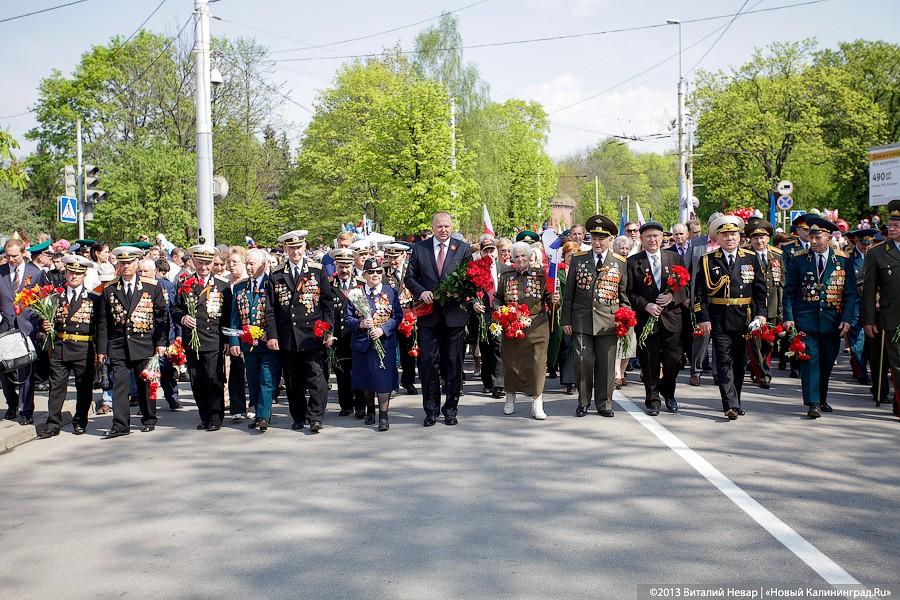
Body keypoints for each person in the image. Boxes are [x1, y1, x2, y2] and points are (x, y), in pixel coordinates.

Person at [783, 217, 858, 419]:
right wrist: (789, 317)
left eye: (818, 237)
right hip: (805, 320)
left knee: (826, 361)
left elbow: (850, 294)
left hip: (832, 321)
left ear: (828, 237)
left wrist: (847, 319)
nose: (813, 242)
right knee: (810, 361)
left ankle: (822, 398)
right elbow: (789, 292)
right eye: (811, 237)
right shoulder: (798, 260)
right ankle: (813, 402)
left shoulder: (843, 261)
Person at [694, 215, 767, 420]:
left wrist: (761, 314)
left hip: (745, 318)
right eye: (725, 235)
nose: (729, 238)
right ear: (717, 237)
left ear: (739, 236)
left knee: (739, 362)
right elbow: (699, 293)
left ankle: (737, 400)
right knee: (724, 361)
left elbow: (760, 291)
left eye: (733, 234)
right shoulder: (708, 260)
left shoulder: (750, 258)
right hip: (719, 318)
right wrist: (703, 317)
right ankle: (730, 405)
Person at [404, 211, 473, 427]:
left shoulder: (462, 249)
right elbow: (410, 278)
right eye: (439, 226)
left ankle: (450, 409)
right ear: (433, 228)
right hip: (429, 318)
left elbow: (470, 280)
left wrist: (459, 292)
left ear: (452, 227)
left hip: (454, 318)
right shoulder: (419, 249)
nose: (443, 230)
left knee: (453, 364)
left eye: (447, 226)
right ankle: (431, 410)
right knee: (428, 364)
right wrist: (421, 291)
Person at [264, 230, 334, 433]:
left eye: (298, 247)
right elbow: (271, 308)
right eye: (291, 247)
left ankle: (315, 417)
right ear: (285, 249)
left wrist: (327, 330)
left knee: (316, 377)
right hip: (288, 336)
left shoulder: (317, 270)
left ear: (305, 247)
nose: (295, 251)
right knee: (293, 380)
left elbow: (327, 303)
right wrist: (273, 335)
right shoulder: (276, 274)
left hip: (313, 334)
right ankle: (298, 415)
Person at [561, 214, 630, 418]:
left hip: (609, 321)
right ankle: (583, 402)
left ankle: (604, 403)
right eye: (594, 238)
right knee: (583, 362)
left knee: (607, 364)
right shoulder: (579, 260)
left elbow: (623, 294)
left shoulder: (619, 262)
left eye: (602, 238)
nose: (598, 242)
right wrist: (566, 320)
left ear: (610, 240)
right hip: (582, 320)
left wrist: (625, 318)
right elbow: (569, 293)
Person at [96, 246, 168, 438]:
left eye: (130, 262)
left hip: (144, 343)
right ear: (118, 264)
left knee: (144, 383)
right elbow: (103, 322)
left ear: (137, 263)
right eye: (123, 263)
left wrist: (161, 342)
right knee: (119, 384)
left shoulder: (151, 286)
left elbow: (162, 318)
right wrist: (102, 349)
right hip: (119, 344)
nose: (126, 266)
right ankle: (120, 424)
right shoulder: (110, 288)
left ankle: (148, 418)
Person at [36, 255, 100, 438]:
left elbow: (100, 326)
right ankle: (53, 423)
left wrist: (101, 351)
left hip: (84, 347)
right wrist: (45, 325)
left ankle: (80, 421)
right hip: (60, 347)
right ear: (65, 273)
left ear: (84, 275)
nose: (73, 276)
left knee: (84, 388)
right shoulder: (55, 296)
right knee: (56, 388)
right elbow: (43, 318)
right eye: (70, 272)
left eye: (77, 274)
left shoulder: (94, 297)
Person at [627, 222, 687, 415]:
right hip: (647, 319)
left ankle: (668, 392)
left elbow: (686, 288)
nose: (652, 240)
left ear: (663, 238)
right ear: (642, 239)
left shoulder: (675, 258)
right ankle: (652, 399)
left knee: (674, 360)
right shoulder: (634, 262)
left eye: (656, 236)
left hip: (672, 318)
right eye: (648, 237)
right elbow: (629, 293)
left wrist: (672, 297)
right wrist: (646, 305)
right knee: (649, 361)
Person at [495, 242, 559, 419]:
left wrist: (555, 300)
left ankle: (537, 401)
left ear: (530, 257)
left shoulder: (540, 275)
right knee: (511, 363)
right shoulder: (506, 275)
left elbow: (549, 298)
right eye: (517, 256)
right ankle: (510, 396)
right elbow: (498, 298)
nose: (520, 259)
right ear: (512, 259)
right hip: (512, 326)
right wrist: (500, 310)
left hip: (537, 325)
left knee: (538, 363)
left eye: (524, 256)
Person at [172, 245, 231, 431]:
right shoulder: (184, 284)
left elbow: (228, 316)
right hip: (193, 340)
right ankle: (204, 415)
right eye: (200, 263)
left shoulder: (222, 286)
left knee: (213, 378)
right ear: (194, 262)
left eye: (207, 263)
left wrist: (228, 341)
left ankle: (215, 416)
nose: (204, 267)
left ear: (213, 263)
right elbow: (175, 308)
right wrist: (183, 317)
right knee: (196, 380)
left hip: (214, 339)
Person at [345, 258, 403, 431]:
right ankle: (370, 409)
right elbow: (347, 318)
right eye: (371, 272)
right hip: (363, 343)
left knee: (383, 380)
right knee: (367, 379)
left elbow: (397, 316)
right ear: (365, 275)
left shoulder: (390, 291)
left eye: (378, 272)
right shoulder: (356, 293)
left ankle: (383, 416)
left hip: (384, 343)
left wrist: (383, 329)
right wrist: (360, 324)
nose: (375, 275)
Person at [229, 248, 279, 432]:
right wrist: (234, 342)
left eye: (252, 264)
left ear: (263, 264)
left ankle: (264, 416)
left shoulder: (271, 283)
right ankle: (258, 414)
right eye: (247, 264)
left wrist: (272, 335)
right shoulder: (240, 287)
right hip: (248, 343)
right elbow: (235, 317)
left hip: (268, 342)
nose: (249, 268)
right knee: (253, 380)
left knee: (267, 378)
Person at [1, 236, 46, 425]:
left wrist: (42, 325)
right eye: (8, 256)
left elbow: (42, 300)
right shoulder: (0, 272)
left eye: (14, 256)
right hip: (4, 327)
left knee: (25, 371)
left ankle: (26, 410)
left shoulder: (34, 273)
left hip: (27, 328)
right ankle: (12, 405)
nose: (11, 260)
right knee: (5, 371)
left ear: (23, 254)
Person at [862, 199, 900, 420]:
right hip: (891, 318)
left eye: (896, 225)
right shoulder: (877, 253)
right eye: (891, 224)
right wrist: (869, 320)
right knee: (897, 364)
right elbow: (868, 289)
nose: (891, 228)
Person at [744, 219, 784, 390]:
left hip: (773, 306)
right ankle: (762, 374)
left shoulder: (777, 255)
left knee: (769, 343)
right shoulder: (744, 254)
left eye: (763, 237)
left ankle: (757, 369)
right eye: (755, 238)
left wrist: (781, 308)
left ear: (768, 238)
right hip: (752, 307)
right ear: (750, 240)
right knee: (755, 342)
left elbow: (782, 283)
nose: (759, 241)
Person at [329, 248, 365, 418]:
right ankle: (346, 405)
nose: (344, 270)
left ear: (353, 266)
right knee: (341, 373)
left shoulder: (361, 284)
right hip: (338, 337)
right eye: (341, 266)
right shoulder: (329, 286)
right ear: (335, 265)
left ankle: (360, 405)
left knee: (358, 371)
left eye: (347, 266)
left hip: (357, 335)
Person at [471, 235, 504, 399]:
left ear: (496, 252)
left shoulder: (504, 268)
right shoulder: (475, 270)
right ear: (481, 253)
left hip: (500, 313)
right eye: (486, 251)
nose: (489, 254)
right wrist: (473, 304)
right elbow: (468, 293)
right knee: (486, 349)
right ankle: (487, 381)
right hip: (484, 314)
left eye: (492, 251)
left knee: (499, 347)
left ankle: (499, 384)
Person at [384, 242, 418, 395]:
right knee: (390, 351)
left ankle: (408, 381)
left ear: (404, 255)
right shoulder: (384, 272)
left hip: (409, 316)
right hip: (389, 316)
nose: (393, 261)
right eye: (390, 257)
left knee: (408, 350)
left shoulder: (412, 270)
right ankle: (391, 384)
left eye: (396, 257)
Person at [845, 228, 877, 385]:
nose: (867, 246)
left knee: (869, 341)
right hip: (856, 304)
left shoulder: (876, 256)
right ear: (856, 241)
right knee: (857, 339)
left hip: (873, 304)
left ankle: (861, 366)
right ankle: (861, 372)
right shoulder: (849, 259)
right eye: (864, 243)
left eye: (869, 242)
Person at [150, 258, 182, 410]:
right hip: (146, 335)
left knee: (166, 369)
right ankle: (149, 403)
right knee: (148, 371)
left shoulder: (166, 285)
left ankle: (172, 397)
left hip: (165, 333)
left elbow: (172, 310)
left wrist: (178, 332)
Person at [225, 247, 249, 422]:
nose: (231, 265)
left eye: (235, 262)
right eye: (229, 262)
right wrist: (230, 338)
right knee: (236, 370)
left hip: (252, 332)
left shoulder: (251, 281)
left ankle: (255, 404)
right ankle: (237, 407)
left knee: (254, 371)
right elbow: (228, 315)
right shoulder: (224, 284)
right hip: (233, 332)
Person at [613, 236, 636, 388]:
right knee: (616, 343)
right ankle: (615, 374)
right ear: (615, 248)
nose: (625, 251)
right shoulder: (612, 263)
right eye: (622, 248)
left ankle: (622, 372)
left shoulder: (632, 264)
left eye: (627, 248)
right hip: (615, 307)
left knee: (629, 343)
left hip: (631, 308)